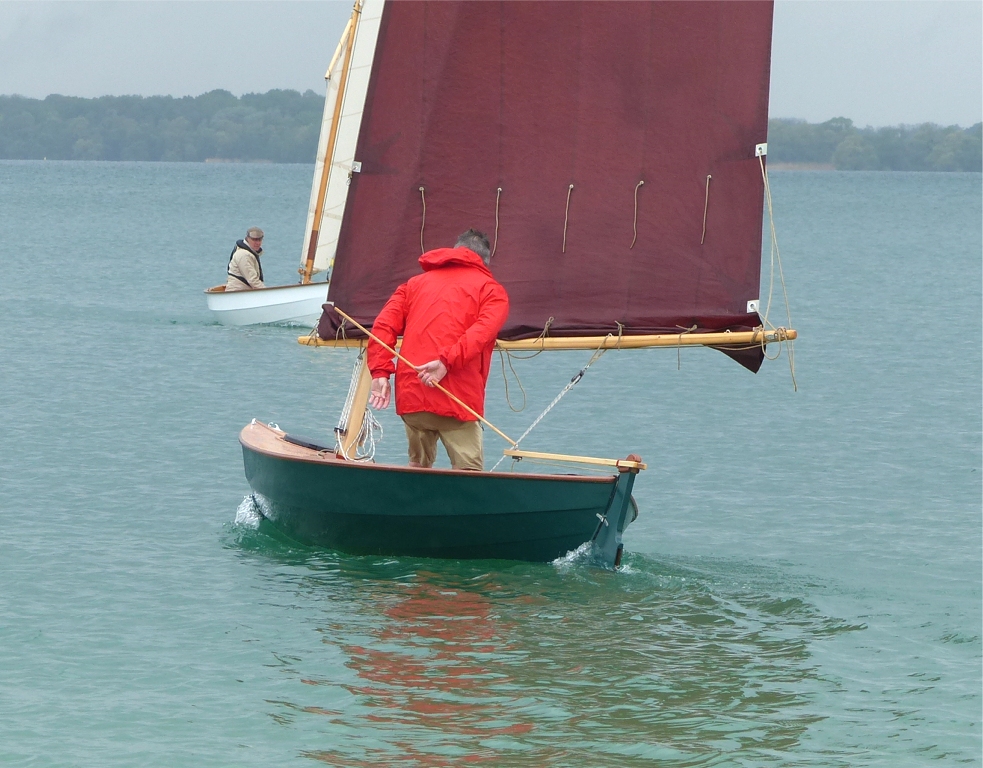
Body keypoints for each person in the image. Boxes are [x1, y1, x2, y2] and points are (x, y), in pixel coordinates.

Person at [367, 229, 509, 471]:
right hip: (456, 399)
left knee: (417, 465)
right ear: (485, 261)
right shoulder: (492, 291)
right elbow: (480, 334)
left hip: (413, 396)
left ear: (454, 252)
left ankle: (411, 505)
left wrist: (380, 372)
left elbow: (383, 326)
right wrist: (445, 363)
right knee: (468, 471)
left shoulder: (412, 285)